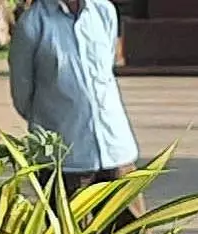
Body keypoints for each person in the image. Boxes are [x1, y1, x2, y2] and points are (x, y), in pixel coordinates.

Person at [10, 0, 136, 187]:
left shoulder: (104, 11)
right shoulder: (32, 24)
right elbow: (22, 93)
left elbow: (105, 71)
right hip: (65, 160)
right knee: (66, 216)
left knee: (134, 216)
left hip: (115, 150)